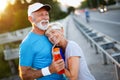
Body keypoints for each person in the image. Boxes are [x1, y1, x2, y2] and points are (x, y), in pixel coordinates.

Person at [19, 2, 66, 80]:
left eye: (46, 14)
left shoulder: (51, 35)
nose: (45, 18)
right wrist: (49, 70)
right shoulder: (27, 43)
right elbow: (24, 75)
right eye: (41, 15)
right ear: (31, 19)